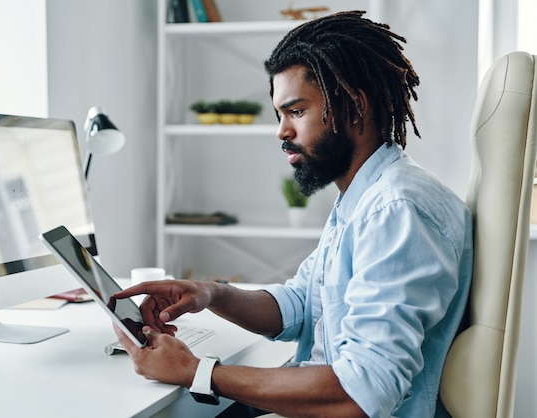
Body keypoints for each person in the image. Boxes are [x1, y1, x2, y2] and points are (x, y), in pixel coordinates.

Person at [112, 10, 473, 418]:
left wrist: (195, 371)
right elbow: (302, 304)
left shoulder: (397, 210)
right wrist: (210, 293)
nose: (281, 132)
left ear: (353, 106)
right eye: (279, 115)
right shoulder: (364, 196)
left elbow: (362, 392)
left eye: (296, 112)